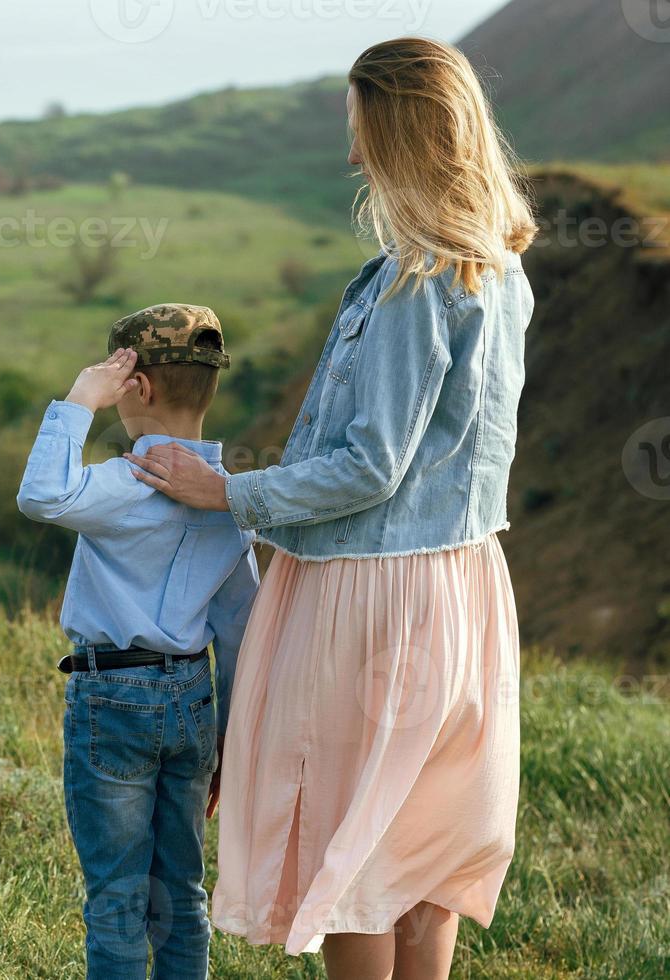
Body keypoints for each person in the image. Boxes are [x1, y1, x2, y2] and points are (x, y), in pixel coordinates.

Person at [125, 37, 536, 980]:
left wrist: (228, 491)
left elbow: (371, 467)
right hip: (464, 586)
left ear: (397, 134)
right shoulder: (497, 270)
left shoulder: (414, 281)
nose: (352, 156)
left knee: (360, 849)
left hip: (373, 590)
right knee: (422, 843)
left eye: (360, 131)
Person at [17, 304, 259, 979]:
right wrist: (228, 738)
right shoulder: (227, 502)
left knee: (118, 895)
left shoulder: (127, 483)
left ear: (137, 388)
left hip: (112, 696)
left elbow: (43, 496)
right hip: (192, 699)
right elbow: (240, 627)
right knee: (180, 890)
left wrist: (78, 402)